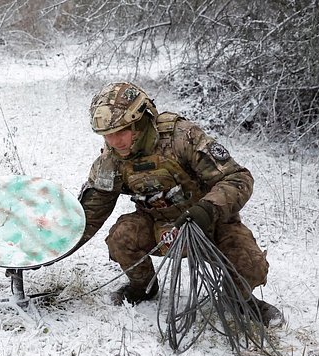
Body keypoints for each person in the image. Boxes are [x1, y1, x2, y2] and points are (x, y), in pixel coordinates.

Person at [75, 81, 284, 327]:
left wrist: (206, 210)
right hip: (159, 227)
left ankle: (239, 300)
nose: (114, 141)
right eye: (107, 135)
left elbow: (238, 178)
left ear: (140, 122)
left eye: (121, 131)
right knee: (122, 237)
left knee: (250, 264)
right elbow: (90, 213)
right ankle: (143, 288)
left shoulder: (181, 137)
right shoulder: (111, 160)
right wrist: (48, 250)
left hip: (209, 222)